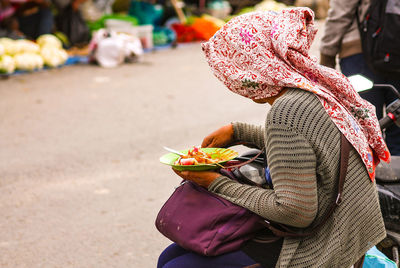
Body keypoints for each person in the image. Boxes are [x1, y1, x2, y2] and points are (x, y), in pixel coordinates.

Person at [157, 7, 390, 268]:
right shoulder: (316, 85)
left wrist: (213, 183)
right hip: (351, 226)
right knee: (170, 256)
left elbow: (295, 212)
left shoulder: (286, 112)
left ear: (250, 73)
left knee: (174, 266)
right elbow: (311, 149)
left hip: (325, 242)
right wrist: (239, 132)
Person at [320, 0, 400, 155]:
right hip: (396, 52)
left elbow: (340, 13)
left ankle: (365, 178)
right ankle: (394, 176)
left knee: (363, 133)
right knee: (397, 131)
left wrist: (327, 55)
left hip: (359, 56)